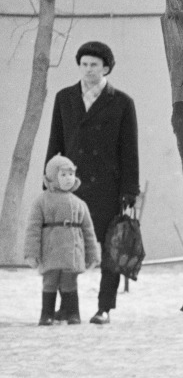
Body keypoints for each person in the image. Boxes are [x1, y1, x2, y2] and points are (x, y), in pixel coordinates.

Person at [46, 41, 139, 325]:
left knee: (110, 247)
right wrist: (49, 179)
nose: (88, 70)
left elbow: (129, 150)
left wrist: (129, 191)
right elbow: (55, 142)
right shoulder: (64, 98)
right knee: (67, 245)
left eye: (94, 65)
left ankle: (104, 308)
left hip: (107, 186)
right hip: (70, 184)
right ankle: (67, 306)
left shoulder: (122, 102)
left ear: (106, 68)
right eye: (84, 64)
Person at [24, 155, 101, 325]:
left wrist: (92, 255)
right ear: (52, 176)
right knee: (50, 282)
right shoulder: (41, 201)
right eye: (63, 175)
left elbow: (88, 231)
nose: (68, 179)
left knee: (70, 282)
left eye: (71, 174)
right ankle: (47, 314)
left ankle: (73, 313)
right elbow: (33, 229)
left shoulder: (79, 203)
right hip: (50, 250)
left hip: (72, 252)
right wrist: (31, 253)